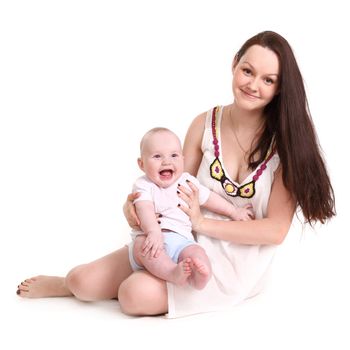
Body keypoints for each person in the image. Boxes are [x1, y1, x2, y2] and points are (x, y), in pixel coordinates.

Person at [17, 31, 335, 318]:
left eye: (268, 80)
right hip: (180, 236)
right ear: (234, 64)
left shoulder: (288, 146)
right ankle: (70, 285)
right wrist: (134, 211)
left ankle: (142, 282)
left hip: (236, 263)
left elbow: (274, 231)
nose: (253, 85)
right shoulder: (204, 123)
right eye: (248, 71)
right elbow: (173, 184)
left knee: (132, 295)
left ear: (280, 88)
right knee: (81, 281)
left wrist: (202, 222)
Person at [129, 127, 253, 290]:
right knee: (144, 249)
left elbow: (209, 198)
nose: (167, 161)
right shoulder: (143, 185)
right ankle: (172, 272)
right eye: (157, 156)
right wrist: (153, 231)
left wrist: (234, 211)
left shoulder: (187, 181)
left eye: (174, 155)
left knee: (196, 253)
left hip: (182, 241)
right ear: (142, 164)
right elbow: (144, 208)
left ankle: (200, 277)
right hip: (152, 238)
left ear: (182, 159)